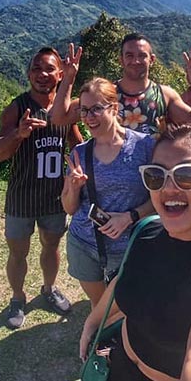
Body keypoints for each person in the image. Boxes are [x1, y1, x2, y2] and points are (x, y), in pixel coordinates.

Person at [79, 123, 191, 381]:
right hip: (117, 365)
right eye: (156, 175)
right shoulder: (147, 231)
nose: (169, 188)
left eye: (186, 175)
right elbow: (126, 280)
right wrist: (93, 323)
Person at [0, 47, 83, 329]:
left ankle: (48, 289)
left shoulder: (65, 110)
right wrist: (18, 134)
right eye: (36, 68)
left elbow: (77, 145)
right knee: (18, 252)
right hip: (21, 196)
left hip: (55, 197)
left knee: (51, 246)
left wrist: (85, 169)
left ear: (60, 74)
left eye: (49, 69)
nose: (42, 75)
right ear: (28, 73)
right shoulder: (16, 108)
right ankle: (18, 298)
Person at [62, 77, 156, 308]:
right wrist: (73, 189)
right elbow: (69, 208)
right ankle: (102, 339)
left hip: (129, 246)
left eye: (96, 109)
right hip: (84, 242)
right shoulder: (79, 153)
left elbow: (161, 199)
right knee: (99, 303)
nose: (89, 117)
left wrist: (129, 216)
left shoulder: (145, 147)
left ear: (114, 108)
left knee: (126, 305)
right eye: (84, 111)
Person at [52, 35, 191, 136]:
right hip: (112, 177)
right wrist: (68, 79)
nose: (135, 61)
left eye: (142, 56)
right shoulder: (106, 94)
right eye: (129, 55)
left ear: (152, 60)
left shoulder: (164, 95)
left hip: (152, 178)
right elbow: (59, 118)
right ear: (121, 60)